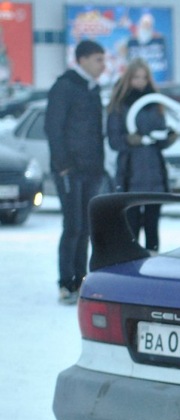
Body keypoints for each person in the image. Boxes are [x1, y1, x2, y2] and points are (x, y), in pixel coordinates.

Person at [45, 40, 106, 305]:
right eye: (98, 60)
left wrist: (100, 166)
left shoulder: (92, 88)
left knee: (86, 228)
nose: (103, 65)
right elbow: (53, 127)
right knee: (73, 226)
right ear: (82, 60)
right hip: (70, 169)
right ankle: (65, 282)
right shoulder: (65, 86)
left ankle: (80, 280)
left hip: (91, 168)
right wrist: (63, 165)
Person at [106, 58, 177, 253]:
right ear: (128, 79)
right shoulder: (119, 105)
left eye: (144, 77)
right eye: (136, 77)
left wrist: (168, 138)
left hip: (154, 174)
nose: (140, 82)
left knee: (153, 227)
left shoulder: (155, 103)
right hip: (130, 174)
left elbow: (159, 138)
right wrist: (129, 140)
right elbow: (113, 141)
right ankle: (132, 264)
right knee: (131, 227)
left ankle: (152, 263)